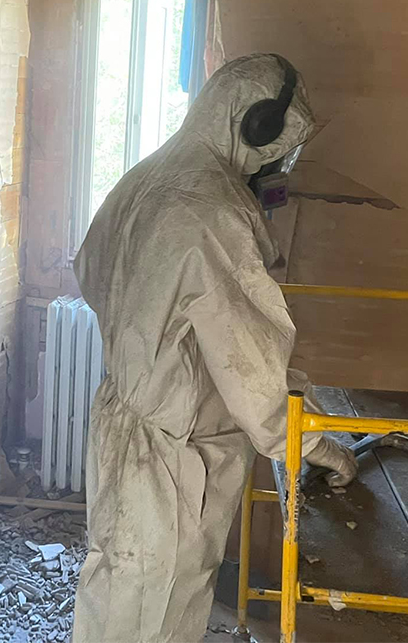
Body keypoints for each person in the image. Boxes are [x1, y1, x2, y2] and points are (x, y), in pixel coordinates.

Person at [71, 54, 357, 643]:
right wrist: (319, 445)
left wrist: (154, 350)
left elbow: (92, 271)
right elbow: (255, 386)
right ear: (256, 126)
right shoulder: (213, 211)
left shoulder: (146, 175)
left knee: (116, 584)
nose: (279, 159)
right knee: (155, 607)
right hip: (178, 454)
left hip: (125, 419)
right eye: (281, 142)